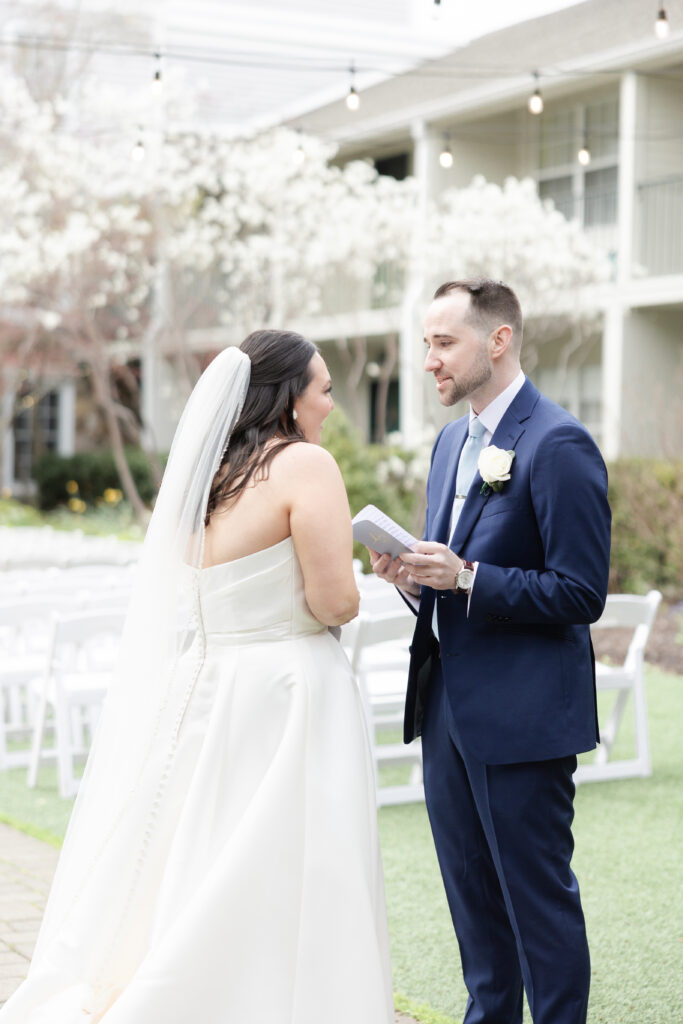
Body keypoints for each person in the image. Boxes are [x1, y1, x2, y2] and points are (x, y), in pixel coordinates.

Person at [2, 331, 393, 1024]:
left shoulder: (207, 475)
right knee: (286, 863)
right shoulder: (306, 466)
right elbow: (334, 602)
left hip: (206, 684)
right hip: (288, 690)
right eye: (325, 389)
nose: (331, 405)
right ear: (289, 397)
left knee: (192, 853)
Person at [369, 279, 611, 1024]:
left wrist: (469, 577)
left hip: (524, 719)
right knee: (471, 906)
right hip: (446, 711)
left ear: (497, 340)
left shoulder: (558, 442)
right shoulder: (449, 442)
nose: (430, 361)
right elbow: (451, 582)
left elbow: (580, 592)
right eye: (426, 345)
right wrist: (412, 579)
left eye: (443, 343)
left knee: (536, 907)